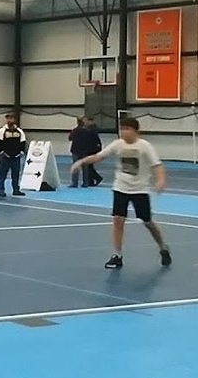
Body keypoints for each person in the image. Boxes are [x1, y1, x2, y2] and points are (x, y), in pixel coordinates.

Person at [71, 116, 171, 270]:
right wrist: (81, 162)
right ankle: (117, 255)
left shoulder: (145, 147)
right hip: (120, 188)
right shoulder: (117, 145)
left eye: (127, 129)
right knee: (118, 220)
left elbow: (157, 166)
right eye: (122, 129)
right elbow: (99, 156)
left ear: (136, 131)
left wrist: (160, 180)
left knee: (148, 222)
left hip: (140, 190)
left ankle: (163, 247)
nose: (124, 132)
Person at [0, 112, 27, 197]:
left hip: (16, 156)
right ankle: (1, 189)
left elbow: (23, 142)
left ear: (15, 120)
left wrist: (21, 152)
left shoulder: (19, 131)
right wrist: (2, 152)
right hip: (5, 157)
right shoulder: (2, 131)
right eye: (9, 118)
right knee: (3, 174)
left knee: (15, 174)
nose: (10, 120)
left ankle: (16, 189)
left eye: (12, 118)